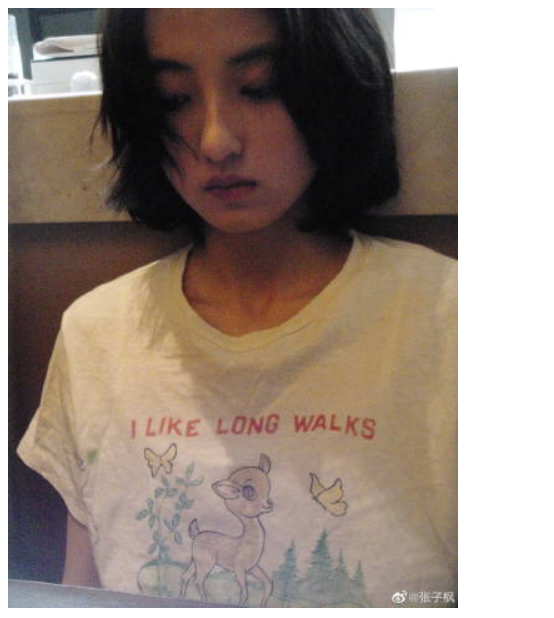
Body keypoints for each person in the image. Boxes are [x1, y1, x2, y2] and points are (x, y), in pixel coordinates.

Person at [17, 9, 457, 608]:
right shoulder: (96, 333)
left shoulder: (449, 316)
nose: (216, 141)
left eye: (261, 87)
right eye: (173, 100)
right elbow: (83, 592)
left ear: (334, 87)